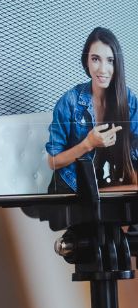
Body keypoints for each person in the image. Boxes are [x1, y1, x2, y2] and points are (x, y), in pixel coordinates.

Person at [45, 26, 138, 193]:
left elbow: (135, 146)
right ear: (86, 62)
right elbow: (52, 161)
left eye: (110, 60)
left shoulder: (128, 100)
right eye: (95, 59)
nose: (103, 69)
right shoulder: (69, 102)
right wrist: (88, 144)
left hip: (107, 190)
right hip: (70, 190)